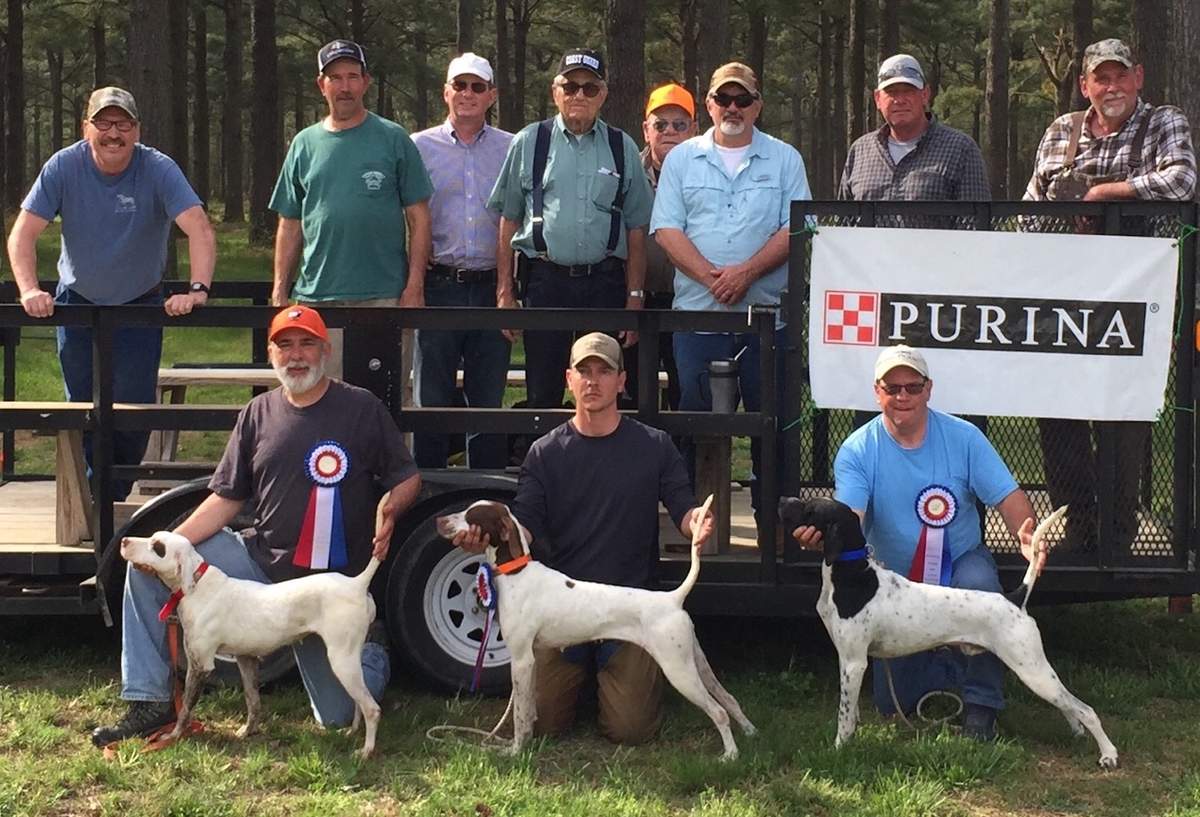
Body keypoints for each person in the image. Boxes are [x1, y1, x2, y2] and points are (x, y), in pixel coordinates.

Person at [91, 305, 421, 746]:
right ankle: (149, 702)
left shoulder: (361, 407)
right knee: (141, 567)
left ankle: (371, 649)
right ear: (271, 354)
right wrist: (169, 547)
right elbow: (227, 498)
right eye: (285, 345)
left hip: (322, 592)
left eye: (306, 344)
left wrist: (391, 506)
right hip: (257, 564)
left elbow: (408, 477)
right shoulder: (256, 413)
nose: (296, 355)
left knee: (337, 717)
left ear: (325, 350)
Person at [452, 332, 714, 745]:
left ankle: (618, 678)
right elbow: (525, 524)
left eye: (604, 372)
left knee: (630, 730)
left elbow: (682, 506)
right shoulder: (544, 452)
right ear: (569, 379)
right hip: (562, 609)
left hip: (629, 607)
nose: (593, 382)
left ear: (621, 381)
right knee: (544, 725)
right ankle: (587, 678)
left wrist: (695, 520)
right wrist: (485, 536)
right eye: (584, 372)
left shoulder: (654, 445)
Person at [793, 345, 1042, 741]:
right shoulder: (858, 449)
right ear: (877, 392)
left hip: (961, 560)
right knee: (893, 705)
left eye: (912, 387)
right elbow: (851, 517)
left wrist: (1027, 534)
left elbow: (1009, 498)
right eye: (893, 388)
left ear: (929, 390)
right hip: (893, 577)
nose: (902, 397)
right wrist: (825, 537)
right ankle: (950, 661)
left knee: (982, 589)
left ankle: (981, 707)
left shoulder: (965, 437)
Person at [1024, 38, 1196, 550]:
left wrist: (1103, 194)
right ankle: (1078, 531)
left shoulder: (1164, 122)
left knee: (1123, 415)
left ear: (1138, 77)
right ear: (1085, 86)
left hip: (1134, 300)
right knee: (1059, 414)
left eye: (1120, 75)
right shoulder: (1061, 130)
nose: (1111, 86)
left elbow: (1182, 181)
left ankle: (1116, 537)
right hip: (1066, 296)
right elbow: (1031, 206)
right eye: (1101, 78)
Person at [7, 86, 216, 501]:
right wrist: (29, 289)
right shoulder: (63, 166)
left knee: (133, 411)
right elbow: (22, 234)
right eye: (103, 123)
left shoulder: (158, 168)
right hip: (78, 303)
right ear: (86, 128)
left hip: (139, 303)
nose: (113, 133)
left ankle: (113, 499)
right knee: (82, 406)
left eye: (123, 124)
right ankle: (95, 499)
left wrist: (196, 290)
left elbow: (199, 227)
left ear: (137, 130)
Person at [650, 62, 811, 509]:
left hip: (766, 321)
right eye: (724, 99)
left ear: (757, 105)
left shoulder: (785, 158)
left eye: (742, 99)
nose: (733, 107)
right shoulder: (682, 160)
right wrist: (711, 277)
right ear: (709, 104)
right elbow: (666, 229)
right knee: (696, 429)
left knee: (773, 431)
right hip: (698, 320)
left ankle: (775, 528)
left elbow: (796, 227)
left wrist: (747, 273)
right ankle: (694, 526)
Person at [488, 48, 654, 410]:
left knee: (605, 387)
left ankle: (604, 466)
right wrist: (505, 292)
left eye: (589, 88)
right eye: (571, 86)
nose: (579, 95)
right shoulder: (530, 142)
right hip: (545, 281)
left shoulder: (620, 145)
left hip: (605, 283)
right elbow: (509, 218)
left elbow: (637, 227)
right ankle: (544, 464)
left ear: (603, 94)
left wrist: (635, 297)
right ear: (555, 91)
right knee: (543, 391)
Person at [270, 39, 434, 385]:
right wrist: (280, 290)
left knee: (385, 402)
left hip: (383, 296)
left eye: (352, 77)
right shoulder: (303, 144)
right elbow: (290, 222)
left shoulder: (393, 139)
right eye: (335, 78)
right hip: (318, 297)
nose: (344, 87)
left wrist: (414, 286)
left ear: (365, 82)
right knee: (318, 401)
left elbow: (419, 218)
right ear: (321, 85)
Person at [411, 53, 513, 468]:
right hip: (439, 284)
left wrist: (509, 290)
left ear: (491, 95)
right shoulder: (418, 147)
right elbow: (409, 218)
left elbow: (517, 220)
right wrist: (413, 284)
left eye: (477, 87)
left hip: (492, 285)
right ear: (446, 92)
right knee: (431, 397)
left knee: (487, 397)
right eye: (460, 85)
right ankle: (429, 488)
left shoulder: (513, 147)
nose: (467, 94)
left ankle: (483, 493)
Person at [840, 54, 989, 202]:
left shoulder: (961, 149)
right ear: (878, 99)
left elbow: (975, 222)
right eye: (891, 92)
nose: (899, 100)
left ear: (925, 95)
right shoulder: (860, 151)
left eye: (908, 91)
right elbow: (844, 221)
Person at [639, 82, 697, 411]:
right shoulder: (628, 170)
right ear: (646, 129)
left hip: (688, 299)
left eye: (679, 124)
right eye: (660, 124)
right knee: (636, 390)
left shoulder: (709, 171)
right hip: (639, 300)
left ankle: (683, 461)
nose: (669, 132)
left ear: (694, 129)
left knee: (686, 390)